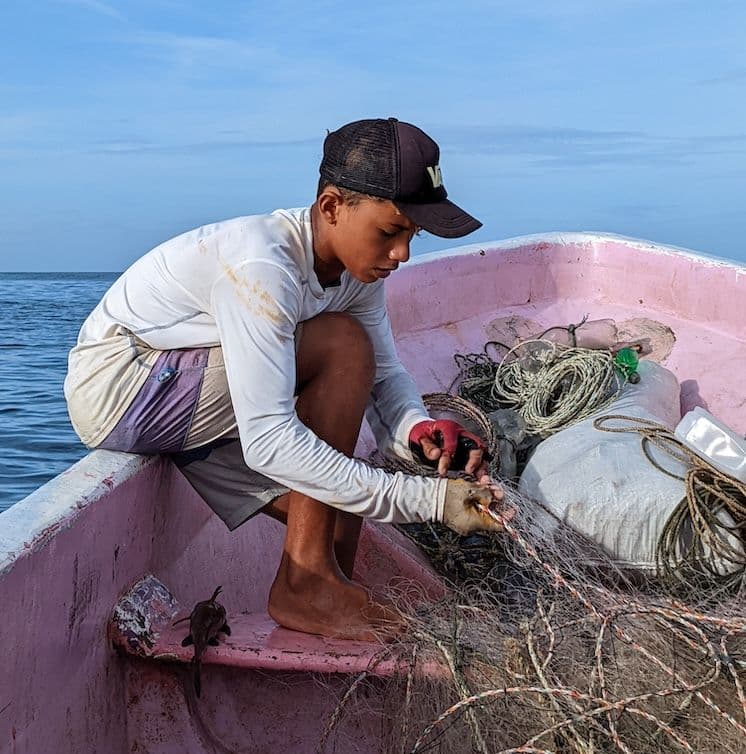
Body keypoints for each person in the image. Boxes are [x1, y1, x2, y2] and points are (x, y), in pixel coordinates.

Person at [64, 117, 506, 641]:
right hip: (122, 383)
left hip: (184, 390)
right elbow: (270, 439)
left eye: (413, 235)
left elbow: (386, 375)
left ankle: (332, 578)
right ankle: (308, 583)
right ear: (331, 207)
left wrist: (415, 430)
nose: (403, 255)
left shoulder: (354, 273)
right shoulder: (265, 265)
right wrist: (430, 501)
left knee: (342, 497)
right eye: (390, 232)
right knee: (342, 345)